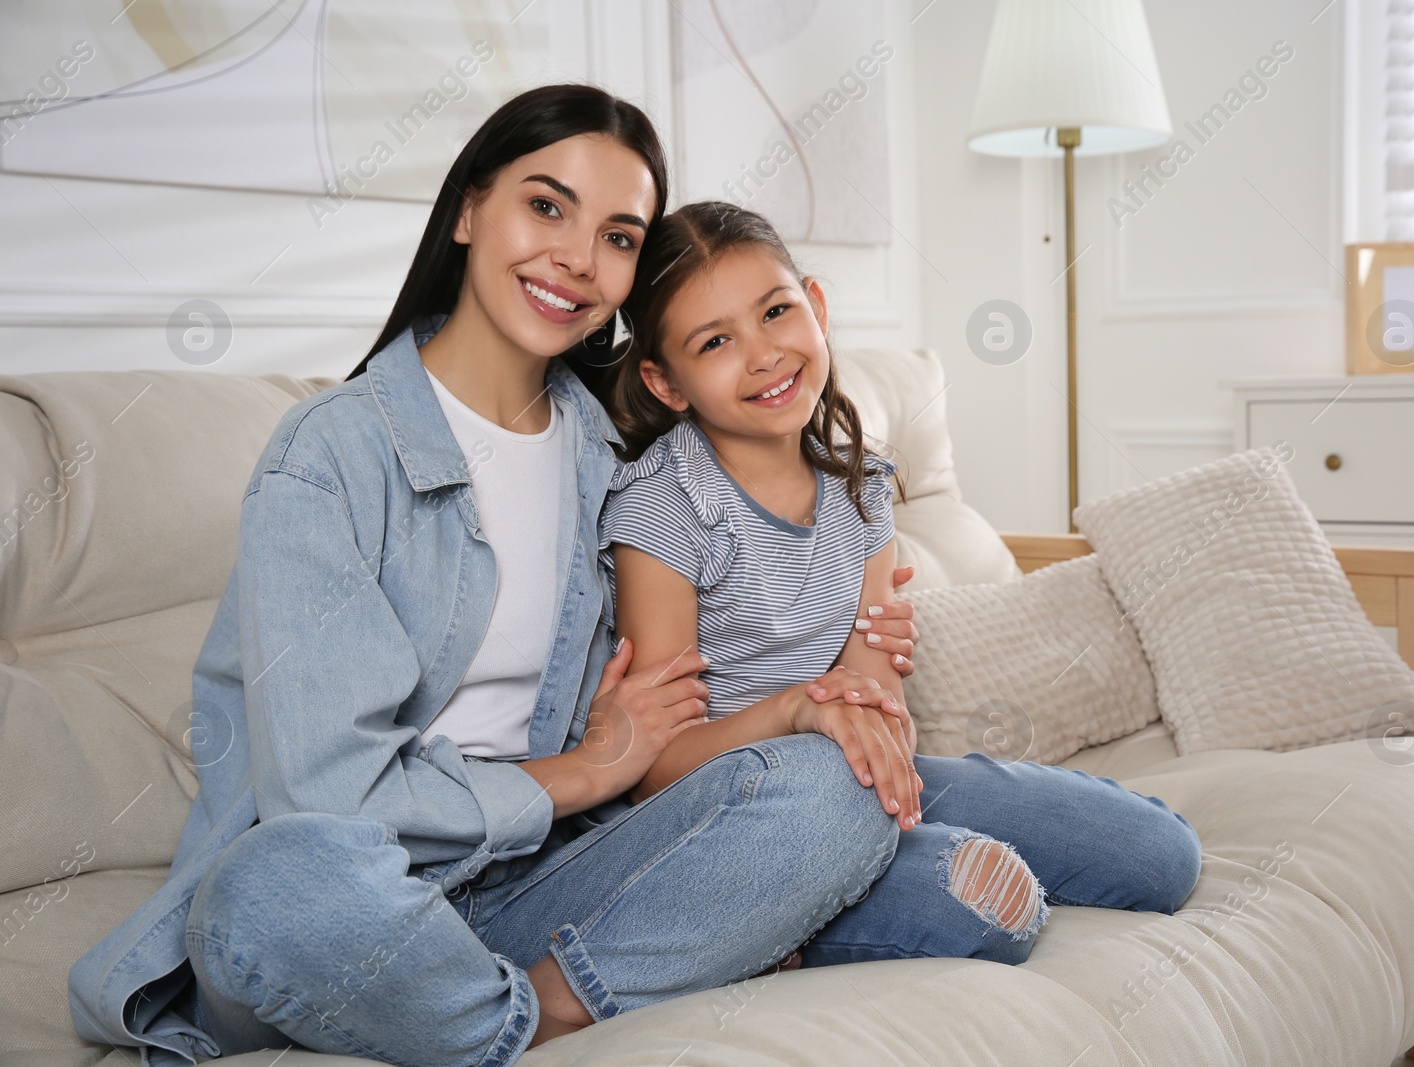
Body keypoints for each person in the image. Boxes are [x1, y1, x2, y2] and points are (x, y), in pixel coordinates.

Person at [68, 86, 925, 1067]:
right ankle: (553, 1013)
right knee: (274, 880)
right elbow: (328, 796)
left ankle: (522, 1009)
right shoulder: (331, 454)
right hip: (360, 897)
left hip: (548, 884)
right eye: (546, 206)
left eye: (616, 235)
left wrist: (859, 650)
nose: (575, 257)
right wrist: (586, 768)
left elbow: (768, 563)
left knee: (833, 784)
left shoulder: (619, 456)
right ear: (471, 209)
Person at [598, 200, 1206, 968]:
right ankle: (758, 916)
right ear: (667, 381)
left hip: (864, 779)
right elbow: (654, 768)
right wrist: (800, 712)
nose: (762, 354)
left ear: (815, 307)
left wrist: (865, 713)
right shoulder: (665, 506)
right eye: (715, 341)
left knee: (1162, 856)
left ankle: (818, 897)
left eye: (776, 312)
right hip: (738, 814)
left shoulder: (862, 489)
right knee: (991, 906)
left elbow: (887, 718)